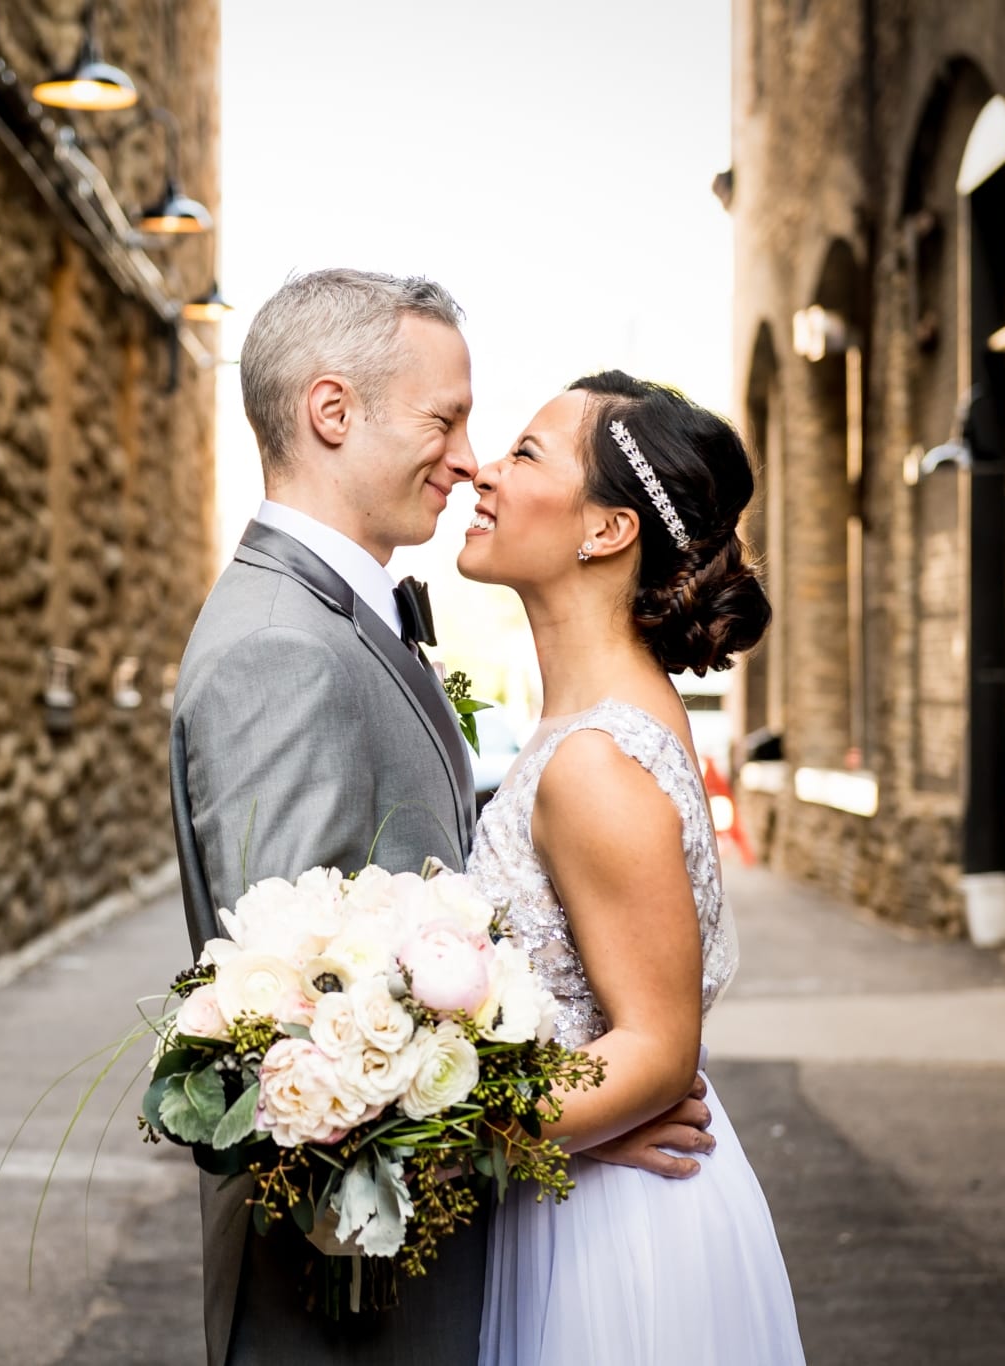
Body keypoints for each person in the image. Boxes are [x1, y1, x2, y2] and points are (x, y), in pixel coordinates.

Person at [169, 272, 717, 1366]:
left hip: (449, 1272)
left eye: (495, 438)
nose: (468, 458)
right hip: (353, 1299)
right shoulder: (284, 650)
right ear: (332, 414)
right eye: (448, 419)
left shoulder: (349, 627)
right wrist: (566, 1138)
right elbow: (308, 1046)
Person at [459, 371, 804, 1364]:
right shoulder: (594, 725)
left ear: (604, 530)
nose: (483, 471)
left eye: (522, 454)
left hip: (611, 1238)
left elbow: (655, 1048)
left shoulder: (594, 761)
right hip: (587, 1177)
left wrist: (449, 1144)